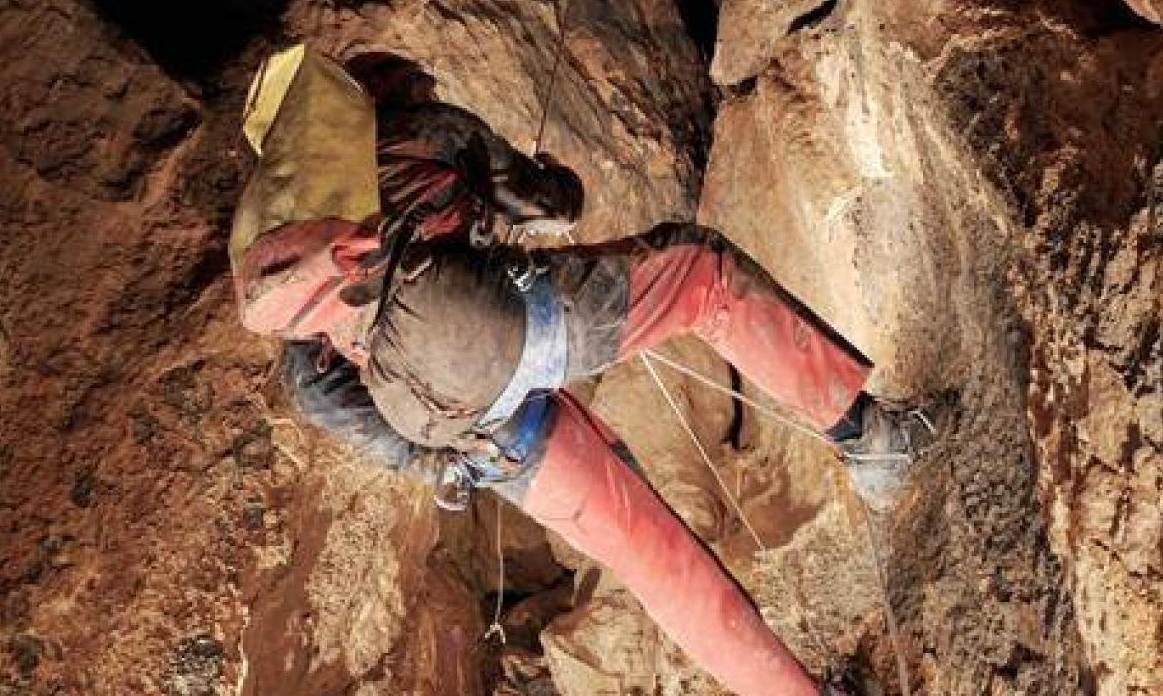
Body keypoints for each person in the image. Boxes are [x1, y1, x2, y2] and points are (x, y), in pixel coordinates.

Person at [232, 45, 933, 696]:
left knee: (652, 558)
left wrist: (429, 463)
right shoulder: (422, 129)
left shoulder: (310, 284)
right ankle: (874, 443)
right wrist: (548, 183)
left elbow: (312, 388)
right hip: (508, 330)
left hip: (466, 429)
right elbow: (552, 204)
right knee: (700, 272)